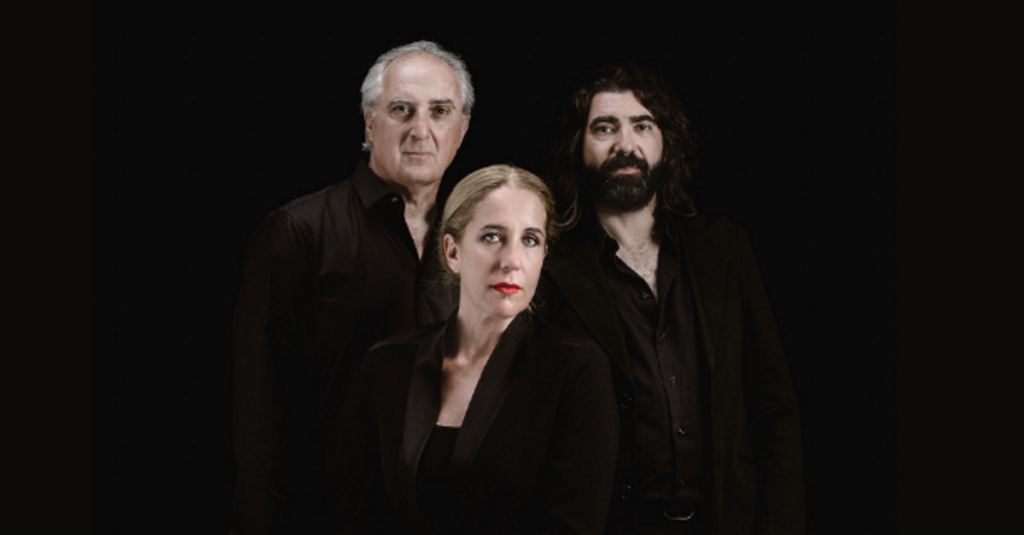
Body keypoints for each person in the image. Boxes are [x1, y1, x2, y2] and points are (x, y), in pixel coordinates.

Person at [539, 63, 806, 534]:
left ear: (667, 143)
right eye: (605, 128)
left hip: (727, 521)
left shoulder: (725, 248)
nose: (625, 144)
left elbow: (774, 404)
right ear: (578, 146)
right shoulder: (547, 265)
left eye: (642, 126)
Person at [231, 40, 472, 534]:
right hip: (329, 518)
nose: (420, 130)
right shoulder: (298, 232)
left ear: (462, 129)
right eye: (401, 110)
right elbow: (258, 410)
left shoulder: (480, 241)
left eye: (440, 111)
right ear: (369, 121)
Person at [337, 164, 619, 534]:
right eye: (492, 237)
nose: (511, 261)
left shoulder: (575, 368)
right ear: (452, 252)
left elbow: (574, 524)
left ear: (543, 255)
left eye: (530, 240)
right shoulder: (388, 363)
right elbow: (359, 512)